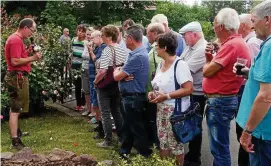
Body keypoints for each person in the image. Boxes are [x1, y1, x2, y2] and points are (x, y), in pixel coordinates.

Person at [202, 8, 251, 166]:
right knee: (220, 147)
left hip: (220, 101)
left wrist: (208, 60)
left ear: (221, 26)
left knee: (219, 149)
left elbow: (207, 72)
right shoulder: (237, 43)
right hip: (225, 99)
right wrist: (213, 56)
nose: (213, 27)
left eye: (214, 24)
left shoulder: (231, 45)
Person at [148, 32, 193, 166]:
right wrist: (153, 93)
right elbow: (159, 84)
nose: (155, 48)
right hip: (161, 108)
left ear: (165, 48)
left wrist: (167, 96)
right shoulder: (161, 64)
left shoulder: (180, 65)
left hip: (175, 111)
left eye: (157, 46)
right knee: (163, 141)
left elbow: (188, 89)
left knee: (175, 144)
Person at [236, 1, 271, 166]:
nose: (252, 25)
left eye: (254, 20)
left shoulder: (270, 46)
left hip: (262, 131)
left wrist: (247, 131)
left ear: (267, 19)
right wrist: (248, 73)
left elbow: (266, 96)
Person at [114, 25, 152, 158]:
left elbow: (117, 76)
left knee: (136, 127)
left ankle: (144, 154)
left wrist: (118, 72)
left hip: (133, 97)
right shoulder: (136, 53)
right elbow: (122, 73)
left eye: (124, 37)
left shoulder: (138, 56)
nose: (123, 40)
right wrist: (122, 73)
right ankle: (125, 151)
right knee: (129, 126)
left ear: (130, 39)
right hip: (130, 96)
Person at [4, 18, 42, 149]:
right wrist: (33, 58)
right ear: (25, 28)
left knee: (17, 107)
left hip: (18, 77)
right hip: (16, 77)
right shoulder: (15, 40)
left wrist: (29, 52)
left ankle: (17, 132)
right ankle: (15, 140)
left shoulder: (17, 40)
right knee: (16, 109)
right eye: (32, 30)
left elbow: (19, 57)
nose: (32, 34)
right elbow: (14, 62)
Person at [179, 21, 207, 166]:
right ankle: (192, 154)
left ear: (194, 34)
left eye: (185, 36)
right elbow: (179, 62)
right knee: (190, 123)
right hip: (192, 92)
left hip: (197, 93)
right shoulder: (191, 47)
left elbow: (184, 70)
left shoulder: (201, 49)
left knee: (195, 125)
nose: (184, 39)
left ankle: (195, 157)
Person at [236, 13, 262, 166]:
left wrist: (245, 72)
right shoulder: (252, 41)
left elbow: (260, 75)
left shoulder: (252, 42)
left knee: (245, 135)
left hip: (250, 93)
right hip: (251, 91)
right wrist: (246, 71)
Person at [94, 25, 126, 148]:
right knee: (116, 112)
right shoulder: (121, 48)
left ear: (108, 36)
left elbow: (103, 71)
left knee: (105, 113)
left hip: (106, 85)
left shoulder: (107, 50)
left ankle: (108, 141)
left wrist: (96, 82)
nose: (101, 37)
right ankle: (121, 138)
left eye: (102, 35)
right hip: (116, 83)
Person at [145, 22, 165, 147]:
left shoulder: (158, 50)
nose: (147, 36)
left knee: (156, 120)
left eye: (148, 33)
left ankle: (157, 144)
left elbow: (161, 66)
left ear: (155, 34)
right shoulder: (153, 48)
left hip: (156, 93)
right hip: (152, 91)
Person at [87, 30, 107, 139]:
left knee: (98, 105)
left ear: (99, 37)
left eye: (93, 38)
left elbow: (96, 61)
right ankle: (99, 127)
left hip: (97, 79)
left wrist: (90, 51)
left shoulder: (103, 48)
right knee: (95, 103)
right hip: (92, 77)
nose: (92, 41)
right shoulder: (97, 48)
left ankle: (101, 130)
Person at [70, 24, 87, 111]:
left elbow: (85, 54)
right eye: (78, 31)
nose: (80, 33)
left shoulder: (86, 42)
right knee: (77, 85)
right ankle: (78, 103)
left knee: (83, 85)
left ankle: (83, 102)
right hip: (74, 64)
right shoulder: (73, 40)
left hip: (82, 65)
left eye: (82, 31)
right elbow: (71, 52)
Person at [81, 27, 95, 117]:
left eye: (90, 35)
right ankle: (88, 109)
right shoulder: (85, 44)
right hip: (84, 68)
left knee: (92, 90)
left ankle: (94, 111)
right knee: (86, 90)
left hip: (91, 69)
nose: (89, 36)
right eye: (87, 34)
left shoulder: (95, 45)